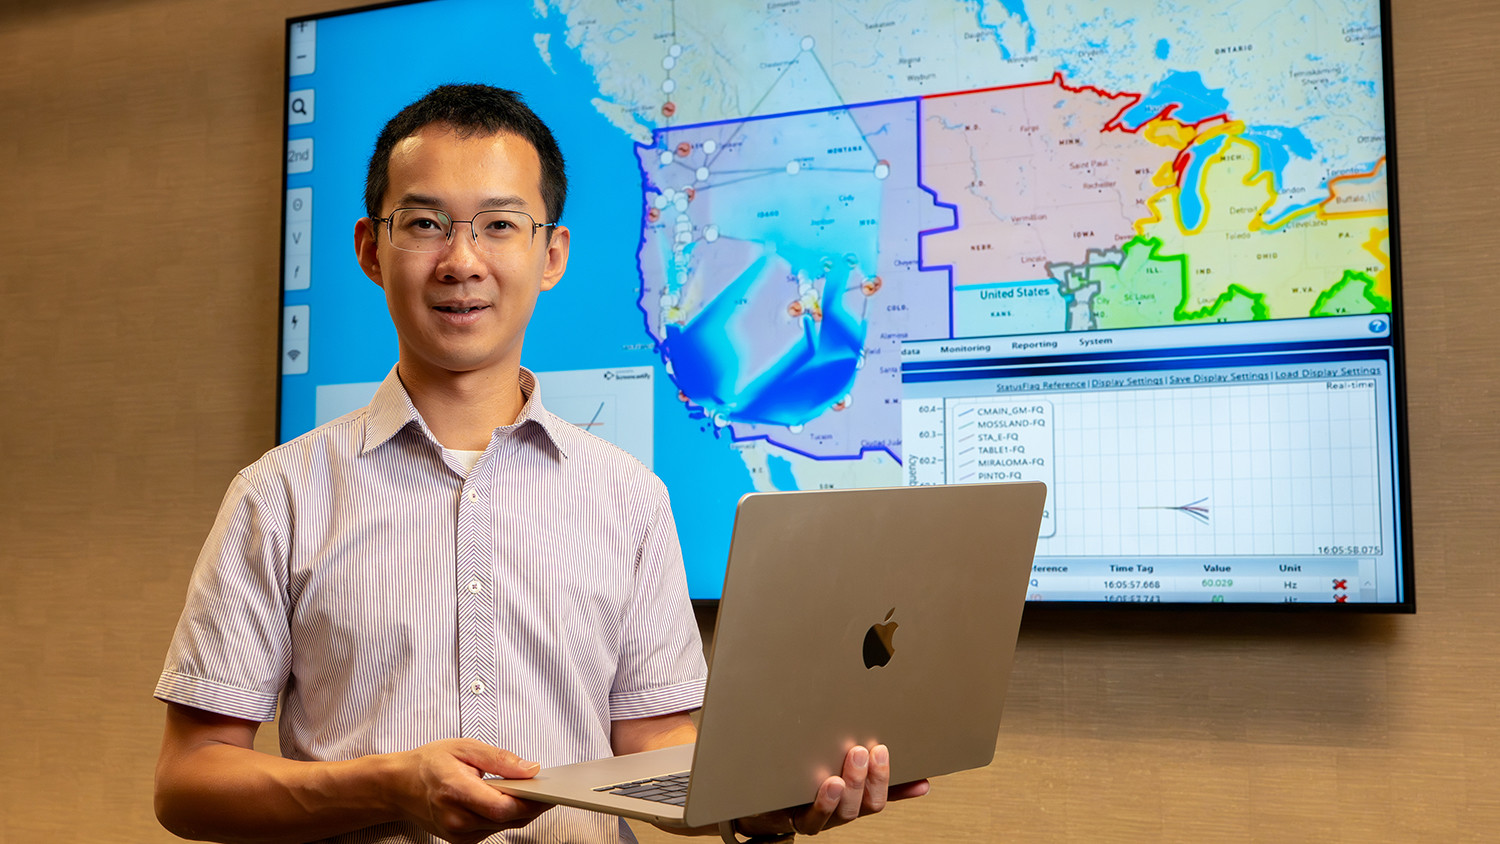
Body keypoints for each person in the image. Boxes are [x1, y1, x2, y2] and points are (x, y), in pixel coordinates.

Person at [153, 84, 926, 844]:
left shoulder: (628, 496)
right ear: (370, 250)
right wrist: (387, 785)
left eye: (499, 224)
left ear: (551, 253)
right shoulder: (278, 495)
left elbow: (655, 746)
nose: (461, 261)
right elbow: (191, 782)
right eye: (425, 223)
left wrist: (768, 803)